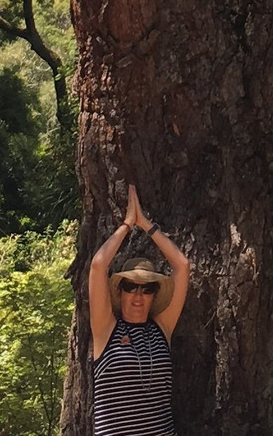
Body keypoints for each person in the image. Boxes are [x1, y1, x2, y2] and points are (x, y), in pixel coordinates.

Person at [89, 185, 190, 436]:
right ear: (120, 291)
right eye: (131, 286)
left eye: (146, 289)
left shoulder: (161, 327)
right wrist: (127, 225)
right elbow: (99, 265)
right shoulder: (106, 329)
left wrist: (147, 225)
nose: (138, 296)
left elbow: (182, 265)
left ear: (154, 295)